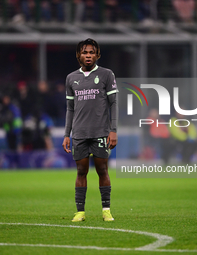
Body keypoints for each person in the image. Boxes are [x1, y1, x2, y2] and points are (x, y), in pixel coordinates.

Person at [62, 38, 118, 222]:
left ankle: (106, 210)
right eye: (85, 52)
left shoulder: (106, 75)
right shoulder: (71, 78)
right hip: (79, 133)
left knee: (102, 170)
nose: (88, 55)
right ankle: (80, 212)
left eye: (91, 52)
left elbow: (114, 104)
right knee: (81, 171)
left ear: (97, 55)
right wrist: (66, 134)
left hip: (100, 132)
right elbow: (70, 108)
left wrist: (113, 130)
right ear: (79, 55)